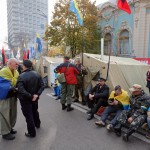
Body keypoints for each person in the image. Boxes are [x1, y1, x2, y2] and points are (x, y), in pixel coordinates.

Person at [17, 59, 44, 138]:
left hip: (26, 99)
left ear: (24, 66)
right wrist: (36, 95)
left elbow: (21, 90)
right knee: (35, 111)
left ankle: (32, 133)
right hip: (34, 98)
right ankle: (37, 124)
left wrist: (32, 96)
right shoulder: (37, 74)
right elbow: (42, 86)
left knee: (29, 115)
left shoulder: (21, 76)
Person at [0, 58, 19, 140]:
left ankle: (10, 128)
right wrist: (12, 86)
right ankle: (5, 132)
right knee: (4, 114)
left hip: (13, 95)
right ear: (10, 63)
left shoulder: (16, 72)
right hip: (4, 97)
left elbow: (16, 82)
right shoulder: (3, 71)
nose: (17, 65)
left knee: (13, 113)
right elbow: (4, 83)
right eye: (16, 64)